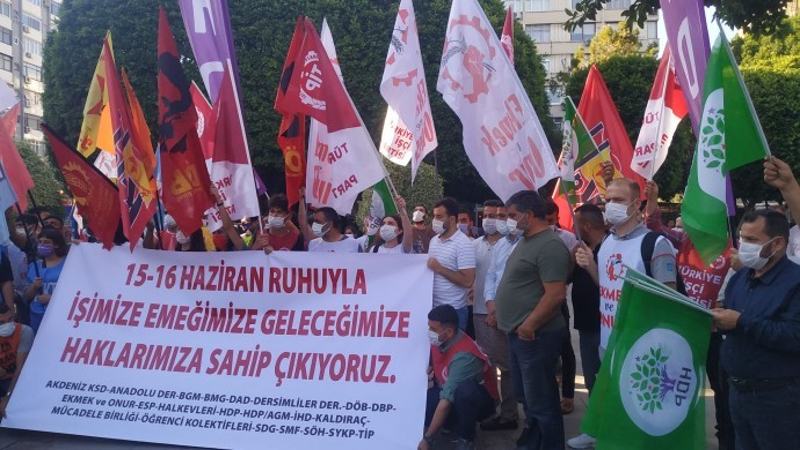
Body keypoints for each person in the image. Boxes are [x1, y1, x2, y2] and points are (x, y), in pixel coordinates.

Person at [570, 178, 676, 450]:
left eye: (618, 200)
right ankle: (601, 433)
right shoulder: (607, 242)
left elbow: (670, 300)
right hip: (609, 339)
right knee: (611, 394)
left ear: (636, 204)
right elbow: (606, 286)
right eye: (608, 200)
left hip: (641, 344)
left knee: (637, 408)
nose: (611, 205)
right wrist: (590, 265)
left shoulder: (656, 243)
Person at [642, 178, 733, 449]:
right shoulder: (684, 240)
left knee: (723, 392)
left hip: (715, 335)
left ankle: (726, 438)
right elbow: (655, 226)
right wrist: (652, 200)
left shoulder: (734, 251)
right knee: (676, 387)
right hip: (683, 329)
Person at [713, 209, 800, 449]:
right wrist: (718, 319)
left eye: (752, 240)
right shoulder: (740, 278)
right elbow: (733, 323)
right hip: (738, 392)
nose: (744, 246)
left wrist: (740, 321)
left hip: (778, 398)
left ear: (777, 243)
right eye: (742, 238)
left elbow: (794, 336)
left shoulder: (795, 282)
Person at [494, 190, 570, 450]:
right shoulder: (526, 241)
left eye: (512, 215)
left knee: (542, 400)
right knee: (528, 397)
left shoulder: (549, 246)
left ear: (528, 215)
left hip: (537, 336)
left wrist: (530, 324)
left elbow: (556, 294)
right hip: (521, 335)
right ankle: (534, 442)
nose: (508, 220)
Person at [420, 305, 498, 450]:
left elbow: (446, 400)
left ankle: (466, 437)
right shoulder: (441, 339)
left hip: (480, 401)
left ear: (449, 332)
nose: (429, 332)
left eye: (433, 329)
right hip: (449, 389)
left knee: (465, 391)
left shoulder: (464, 356)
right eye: (429, 327)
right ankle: (450, 423)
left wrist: (427, 439)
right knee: (422, 406)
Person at [544, 199, 578, 414]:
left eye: (551, 220)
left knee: (566, 350)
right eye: (545, 220)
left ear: (557, 218)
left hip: (558, 301)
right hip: (535, 302)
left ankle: (568, 396)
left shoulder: (567, 238)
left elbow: (571, 271)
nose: (548, 224)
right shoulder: (529, 238)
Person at [570, 204, 606, 394]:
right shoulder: (581, 248)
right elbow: (567, 277)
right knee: (591, 380)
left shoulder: (609, 247)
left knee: (606, 380)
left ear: (587, 226)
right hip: (585, 325)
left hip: (604, 325)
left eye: (575, 224)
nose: (572, 228)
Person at [427, 197, 476, 331]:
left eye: (439, 217)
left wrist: (440, 269)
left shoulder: (464, 244)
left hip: (453, 311)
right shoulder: (434, 241)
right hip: (433, 308)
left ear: (452, 219)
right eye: (434, 216)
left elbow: (467, 281)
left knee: (453, 345)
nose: (435, 220)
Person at [23, 227, 68, 334]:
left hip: (59, 316)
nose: (42, 245)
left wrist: (52, 299)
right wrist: (34, 287)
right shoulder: (34, 266)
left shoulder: (67, 265)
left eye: (47, 242)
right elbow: (27, 296)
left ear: (56, 245)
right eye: (40, 242)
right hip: (36, 317)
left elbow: (73, 293)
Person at [0, 301, 33, 419]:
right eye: (1, 322)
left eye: (10, 319)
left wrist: (8, 397)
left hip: (16, 380)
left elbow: (20, 368)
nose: (7, 324)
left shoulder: (24, 332)